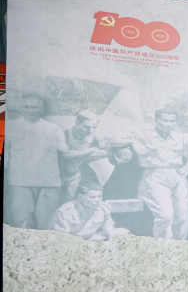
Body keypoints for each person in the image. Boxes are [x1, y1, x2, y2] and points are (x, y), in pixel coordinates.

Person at [115, 108, 188, 240]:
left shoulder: (180, 137)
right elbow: (113, 140)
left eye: (172, 121)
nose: (169, 124)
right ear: (157, 120)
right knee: (165, 216)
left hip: (178, 175)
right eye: (165, 120)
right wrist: (132, 142)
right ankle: (162, 245)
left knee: (182, 217)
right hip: (155, 176)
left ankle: (179, 246)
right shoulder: (144, 135)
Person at [4, 93, 68, 229]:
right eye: (26, 107)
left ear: (42, 109)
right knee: (22, 222)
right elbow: (5, 157)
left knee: (46, 223)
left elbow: (64, 150)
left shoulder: (53, 129)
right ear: (21, 107)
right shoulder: (9, 127)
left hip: (48, 183)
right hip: (19, 182)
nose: (30, 110)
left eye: (34, 107)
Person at [51, 181, 128, 241]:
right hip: (72, 241)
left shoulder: (103, 208)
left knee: (123, 231)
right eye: (92, 197)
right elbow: (62, 237)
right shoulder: (65, 212)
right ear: (80, 197)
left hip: (91, 237)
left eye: (99, 196)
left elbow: (108, 223)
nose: (97, 200)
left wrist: (110, 238)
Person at [60, 110, 109, 203]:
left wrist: (78, 155)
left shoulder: (96, 136)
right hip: (61, 174)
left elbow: (105, 152)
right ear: (77, 122)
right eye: (86, 127)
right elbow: (66, 155)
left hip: (80, 175)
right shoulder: (66, 133)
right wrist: (92, 149)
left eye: (94, 127)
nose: (90, 131)